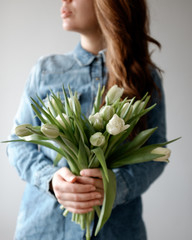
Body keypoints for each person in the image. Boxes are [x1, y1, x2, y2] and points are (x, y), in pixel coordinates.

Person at [7, 0, 167, 239]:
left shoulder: (143, 76)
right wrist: (51, 180)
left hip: (118, 231)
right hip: (46, 229)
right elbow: (19, 144)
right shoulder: (46, 71)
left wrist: (115, 185)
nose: (65, 1)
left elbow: (156, 152)